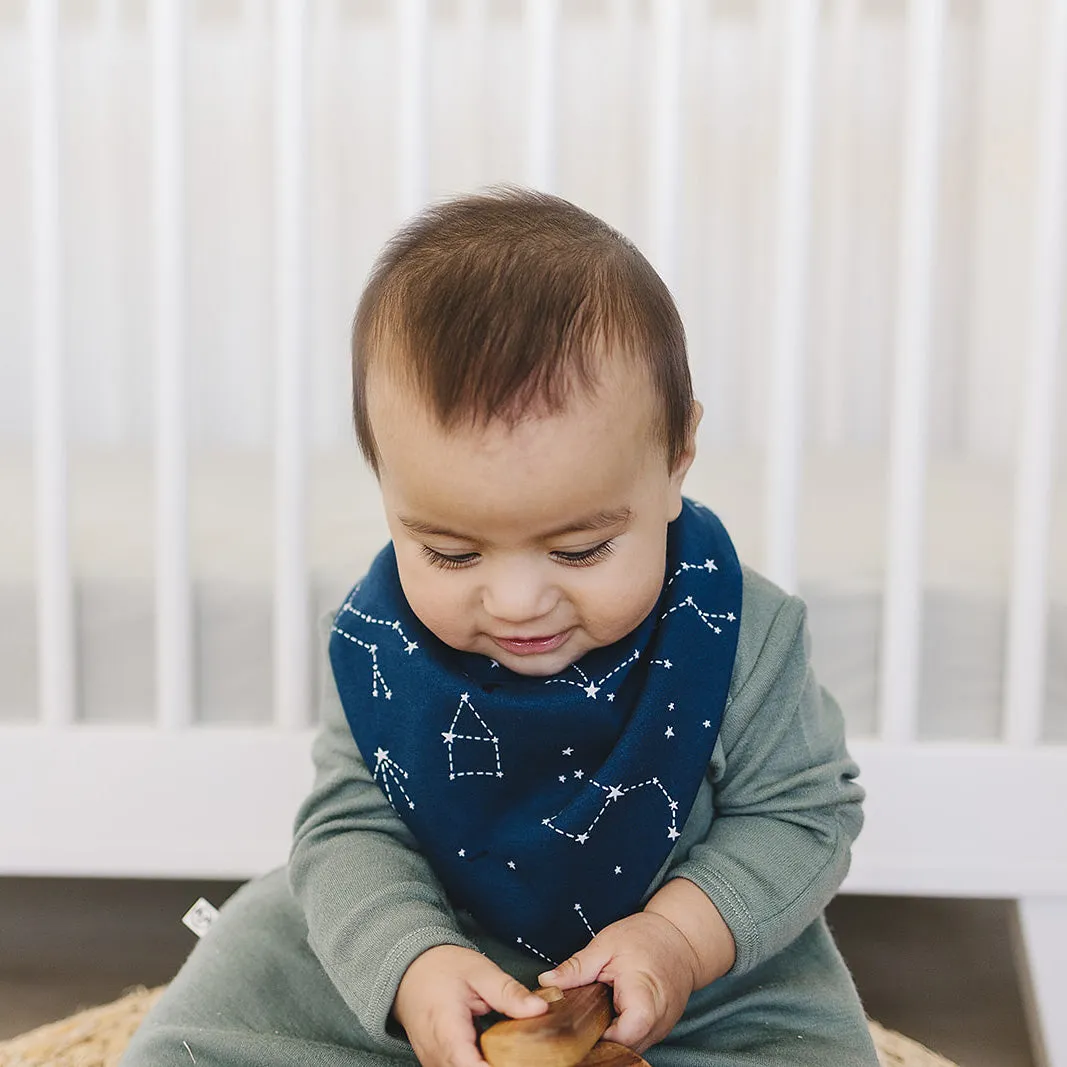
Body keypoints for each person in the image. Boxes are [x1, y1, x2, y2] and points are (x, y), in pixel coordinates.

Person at [121, 188, 879, 1067]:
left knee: (806, 1043)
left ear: (676, 458)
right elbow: (349, 831)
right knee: (213, 1012)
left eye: (582, 547)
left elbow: (800, 815)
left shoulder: (737, 631)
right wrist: (411, 963)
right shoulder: (381, 642)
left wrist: (679, 940)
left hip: (692, 986)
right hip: (438, 939)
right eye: (449, 552)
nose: (516, 602)